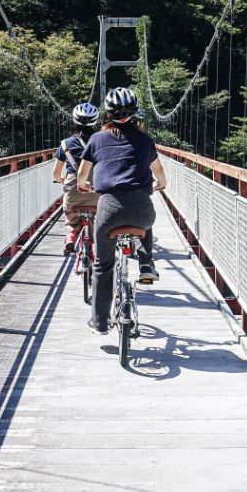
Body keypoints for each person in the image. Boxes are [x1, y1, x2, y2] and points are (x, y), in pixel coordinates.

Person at [76, 86, 167, 334]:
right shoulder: (146, 140)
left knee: (103, 266)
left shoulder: (96, 139)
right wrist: (162, 183)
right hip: (142, 208)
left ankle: (101, 323)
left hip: (109, 208)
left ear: (107, 114)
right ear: (136, 112)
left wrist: (84, 185)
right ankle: (146, 263)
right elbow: (159, 173)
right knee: (145, 221)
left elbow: (81, 177)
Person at [53, 102, 100, 254]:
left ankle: (71, 235)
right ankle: (92, 247)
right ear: (95, 121)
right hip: (96, 191)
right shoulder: (102, 141)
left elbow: (55, 174)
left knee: (72, 217)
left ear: (74, 120)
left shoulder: (65, 144)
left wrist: (61, 179)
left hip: (73, 192)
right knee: (96, 218)